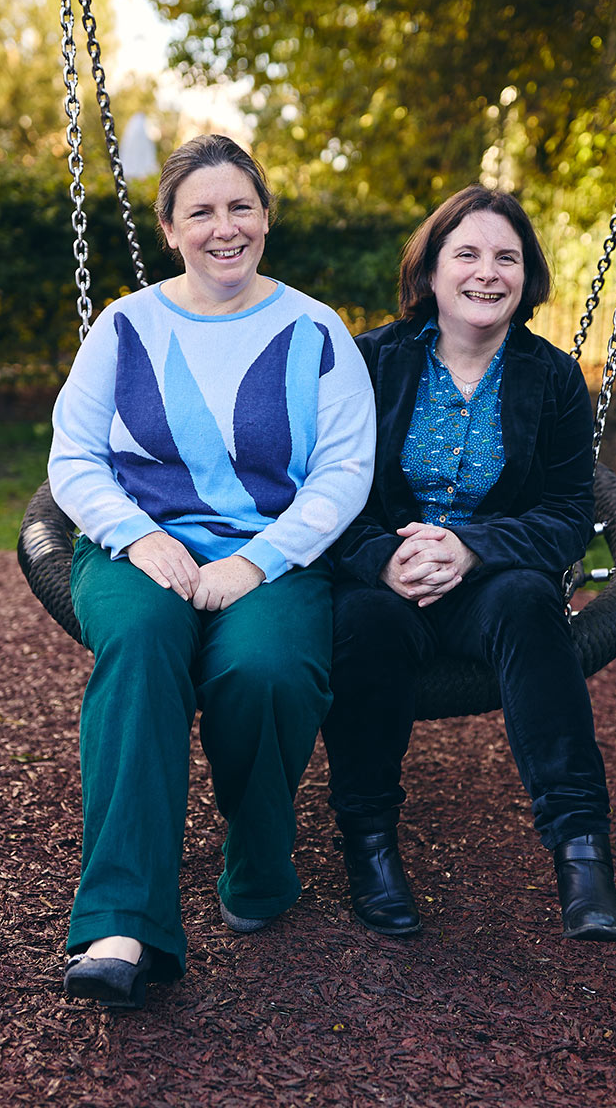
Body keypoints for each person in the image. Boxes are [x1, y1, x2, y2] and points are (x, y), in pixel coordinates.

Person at [48, 134, 375, 1007]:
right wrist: (134, 534)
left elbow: (345, 470)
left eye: (241, 207)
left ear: (265, 218)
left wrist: (258, 560)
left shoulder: (314, 330)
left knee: (264, 671)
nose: (224, 227)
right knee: (145, 648)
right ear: (169, 228)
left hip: (273, 550)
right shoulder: (125, 326)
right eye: (202, 211)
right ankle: (121, 921)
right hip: (137, 546)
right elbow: (74, 457)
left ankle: (261, 854)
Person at [322, 185, 616, 943]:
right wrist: (382, 559)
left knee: (531, 603)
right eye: (467, 254)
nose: (487, 272)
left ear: (527, 277)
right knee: (361, 621)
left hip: (489, 585)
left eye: (507, 257)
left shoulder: (551, 377)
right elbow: (325, 493)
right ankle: (370, 844)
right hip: (387, 581)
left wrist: (474, 547)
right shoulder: (373, 362)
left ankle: (581, 852)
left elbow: (565, 512)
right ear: (430, 272)